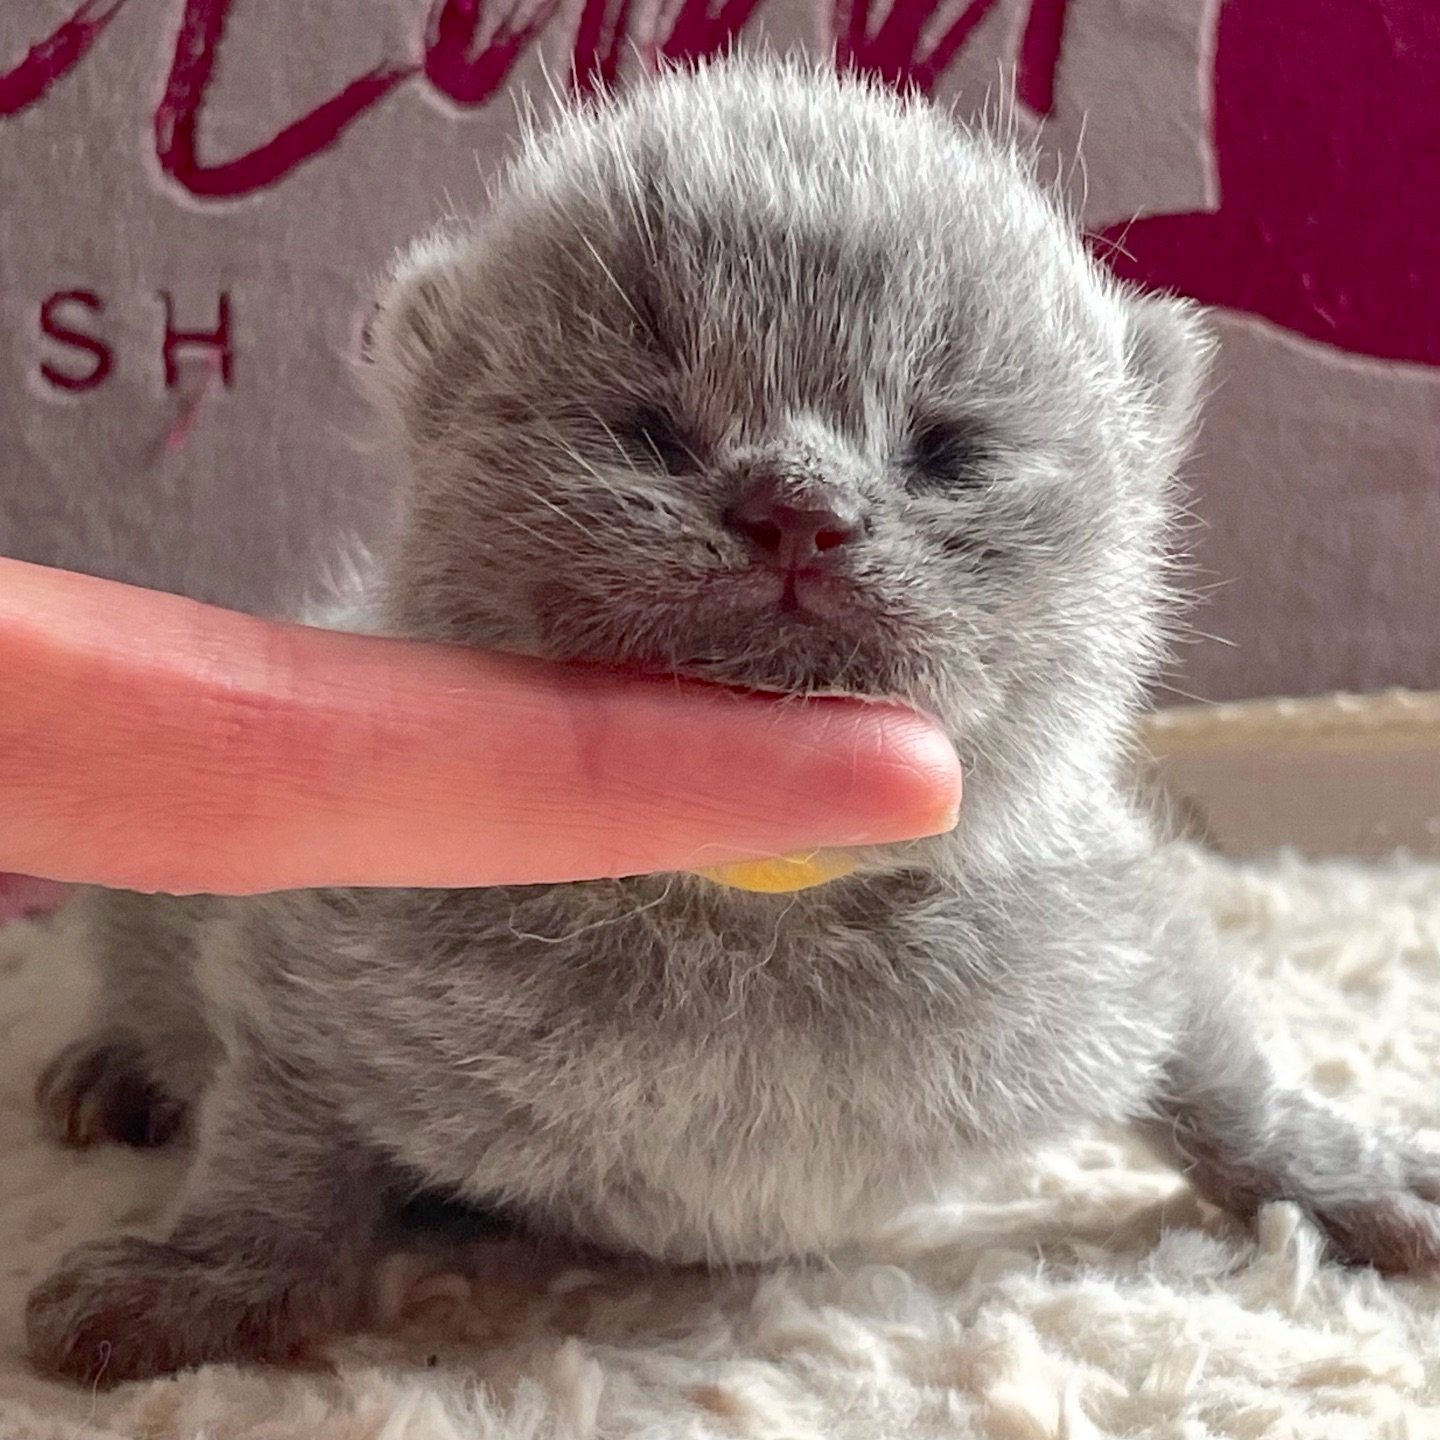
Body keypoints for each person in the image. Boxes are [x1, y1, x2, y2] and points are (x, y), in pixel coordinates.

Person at [0, 557, 961, 900]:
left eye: (947, 452)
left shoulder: (1083, 958)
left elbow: (1122, 1033)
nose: (798, 494)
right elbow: (303, 1032)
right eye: (653, 435)